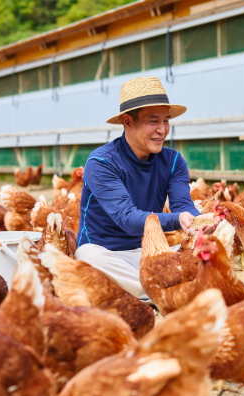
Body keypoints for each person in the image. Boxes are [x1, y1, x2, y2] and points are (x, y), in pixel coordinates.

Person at [75, 76, 214, 301]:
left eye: (166, 120)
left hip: (148, 252)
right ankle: (164, 292)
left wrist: (200, 223)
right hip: (106, 253)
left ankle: (151, 291)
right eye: (153, 121)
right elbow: (128, 219)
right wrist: (179, 220)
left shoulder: (173, 161)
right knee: (87, 258)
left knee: (199, 252)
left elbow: (183, 206)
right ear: (128, 121)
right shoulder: (102, 162)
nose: (162, 130)